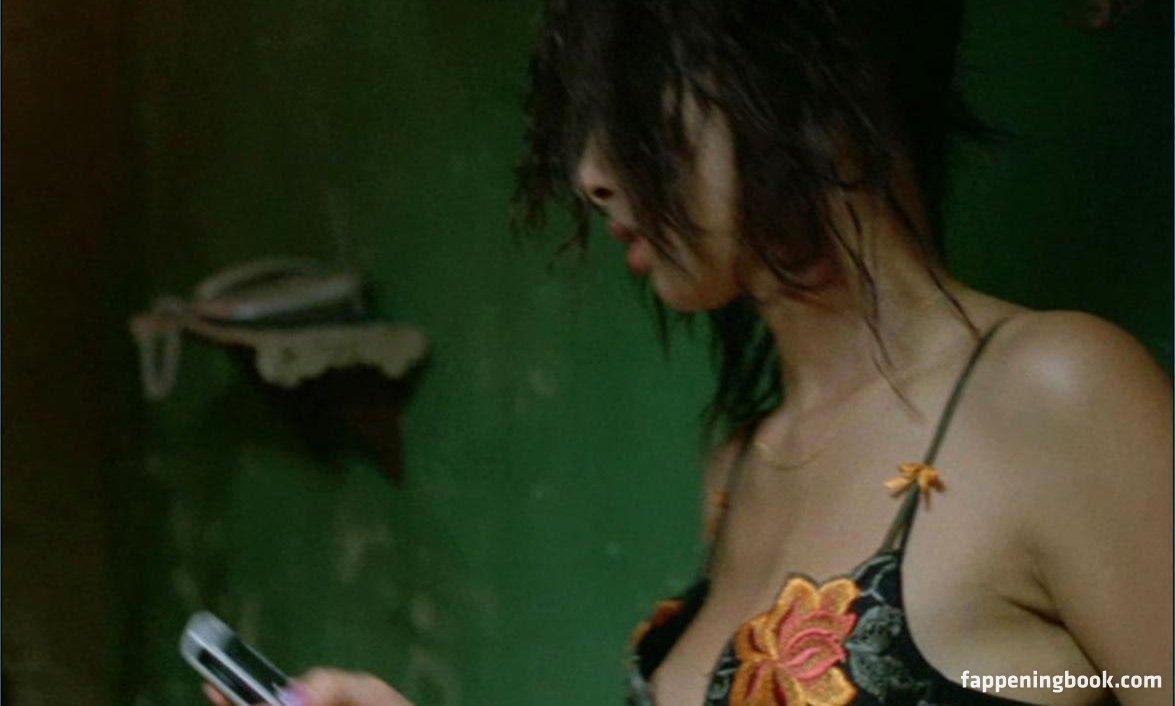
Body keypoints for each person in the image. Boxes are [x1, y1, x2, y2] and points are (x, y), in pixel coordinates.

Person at [207, 1, 1172, 704]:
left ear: (795, 69)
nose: (591, 173)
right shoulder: (741, 465)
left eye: (630, 100)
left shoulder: (1055, 396)